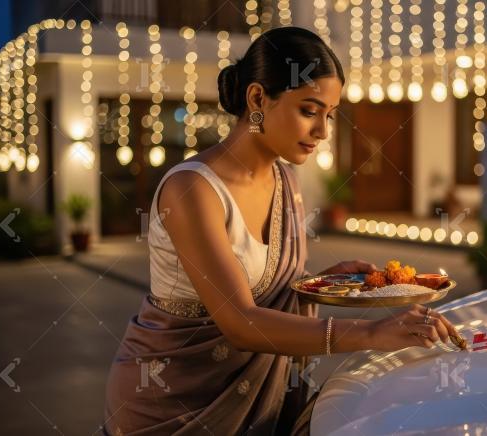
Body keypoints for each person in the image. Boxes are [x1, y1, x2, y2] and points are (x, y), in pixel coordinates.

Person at [103, 26, 462, 435]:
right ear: (258, 98)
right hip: (172, 402)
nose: (323, 132)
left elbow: (266, 289)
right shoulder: (192, 189)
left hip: (257, 399)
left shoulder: (285, 180)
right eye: (309, 111)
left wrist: (318, 285)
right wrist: (372, 333)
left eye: (329, 115)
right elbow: (240, 323)